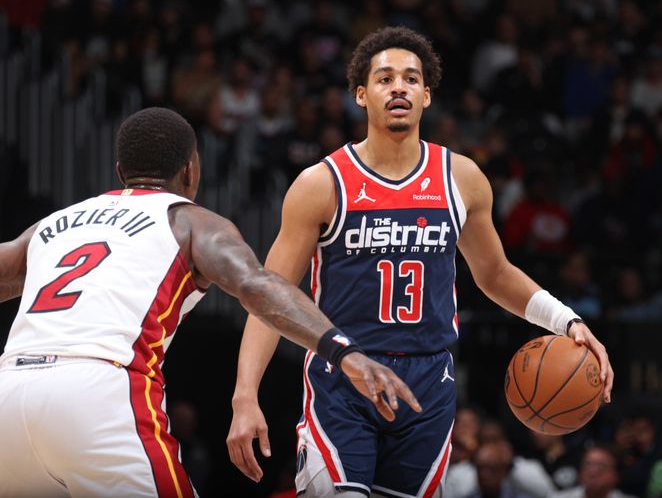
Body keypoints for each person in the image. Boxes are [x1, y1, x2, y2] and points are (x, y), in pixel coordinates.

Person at [226, 26, 613, 496]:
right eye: (385, 78)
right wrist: (245, 396)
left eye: (411, 79)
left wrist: (566, 321)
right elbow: (271, 295)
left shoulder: (462, 178)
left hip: (428, 384)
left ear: (426, 96)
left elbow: (494, 274)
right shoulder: (321, 183)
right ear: (361, 94)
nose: (399, 88)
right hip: (343, 375)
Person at [0, 107, 420, 497]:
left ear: (120, 172)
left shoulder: (52, 224)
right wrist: (342, 350)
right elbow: (257, 286)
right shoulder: (190, 220)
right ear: (190, 169)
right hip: (97, 391)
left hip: (10, 390)